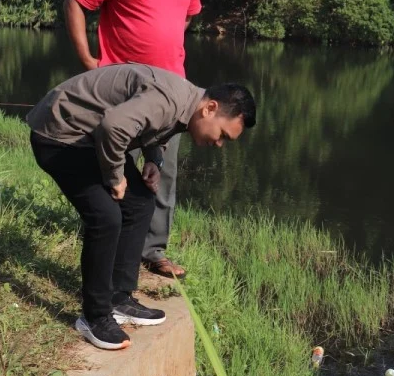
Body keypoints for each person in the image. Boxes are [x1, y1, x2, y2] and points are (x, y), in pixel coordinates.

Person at [26, 64, 256, 350]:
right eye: (223, 134)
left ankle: (118, 297)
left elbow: (150, 125)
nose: (220, 144)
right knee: (106, 216)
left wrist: (153, 159)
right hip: (60, 136)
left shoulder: (187, 103)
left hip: (90, 138)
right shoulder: (170, 98)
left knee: (140, 202)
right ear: (210, 108)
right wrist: (115, 176)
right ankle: (94, 316)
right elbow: (114, 126)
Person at [64, 0, 205, 281]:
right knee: (113, 165)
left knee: (162, 170)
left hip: (173, 92)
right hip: (121, 89)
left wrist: (167, 56)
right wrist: (89, 62)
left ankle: (153, 250)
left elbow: (186, 17)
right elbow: (75, 0)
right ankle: (108, 239)